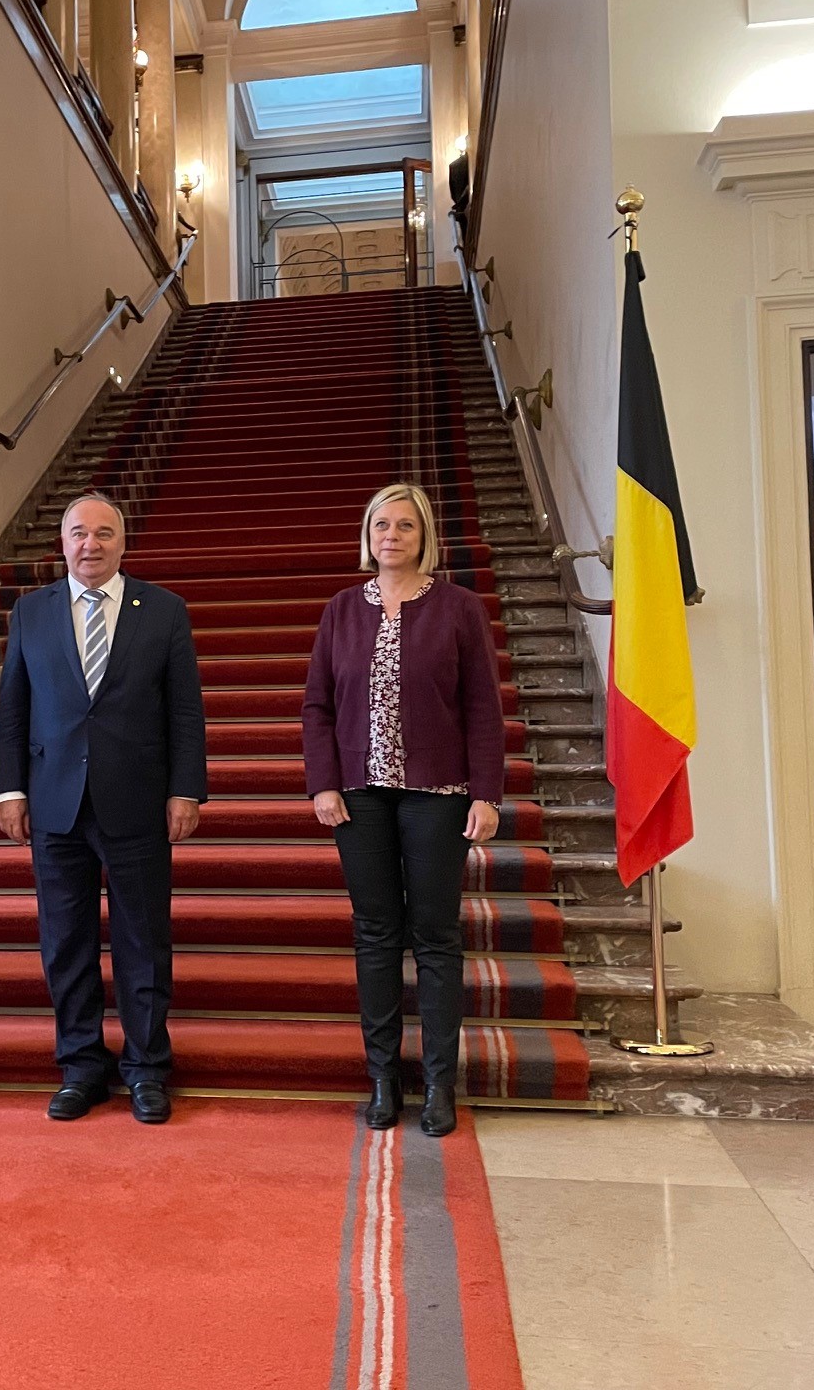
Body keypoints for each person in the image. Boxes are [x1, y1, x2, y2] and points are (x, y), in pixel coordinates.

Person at [0, 492, 208, 1124]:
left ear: (123, 541)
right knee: (66, 943)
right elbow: (12, 710)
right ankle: (81, 1067)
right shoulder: (31, 612)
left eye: (104, 534)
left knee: (144, 941)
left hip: (139, 801)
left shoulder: (164, 610)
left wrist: (185, 789)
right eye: (79, 534)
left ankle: (146, 1069)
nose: (91, 545)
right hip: (54, 803)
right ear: (62, 543)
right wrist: (11, 791)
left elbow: (185, 712)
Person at [301, 483, 505, 1138]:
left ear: (425, 537)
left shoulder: (458, 608)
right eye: (381, 524)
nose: (391, 535)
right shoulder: (340, 610)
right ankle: (384, 1076)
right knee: (377, 932)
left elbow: (482, 706)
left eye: (405, 526)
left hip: (438, 795)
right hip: (359, 795)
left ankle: (441, 1081)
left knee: (438, 936)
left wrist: (487, 793)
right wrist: (323, 783)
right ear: (367, 535)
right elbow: (318, 707)